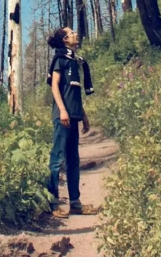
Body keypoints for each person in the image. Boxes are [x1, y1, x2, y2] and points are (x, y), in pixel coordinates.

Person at [46, 27, 96, 218]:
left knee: (73, 160)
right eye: (72, 32)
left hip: (73, 117)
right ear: (65, 39)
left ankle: (75, 203)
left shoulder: (75, 62)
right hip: (63, 117)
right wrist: (63, 111)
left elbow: (74, 93)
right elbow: (55, 87)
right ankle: (52, 203)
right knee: (57, 159)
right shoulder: (60, 60)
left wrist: (83, 115)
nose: (76, 34)